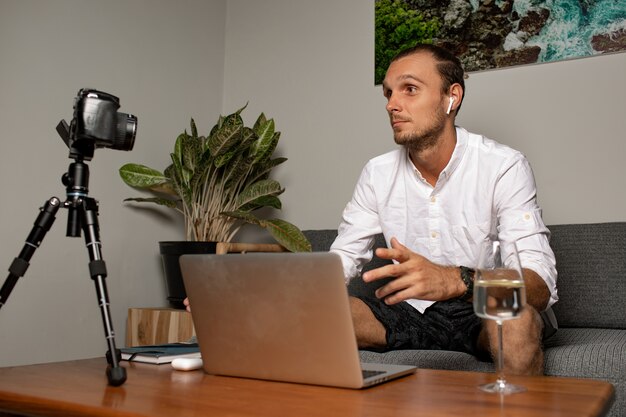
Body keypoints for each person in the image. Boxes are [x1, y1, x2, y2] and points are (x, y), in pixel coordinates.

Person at [330, 43, 557, 375]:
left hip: (479, 310)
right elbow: (341, 261)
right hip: (408, 312)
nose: (392, 105)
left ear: (452, 97)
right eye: (389, 93)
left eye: (410, 89)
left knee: (516, 319)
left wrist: (456, 280)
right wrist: (296, 294)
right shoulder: (376, 173)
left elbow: (539, 287)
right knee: (319, 314)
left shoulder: (503, 165)